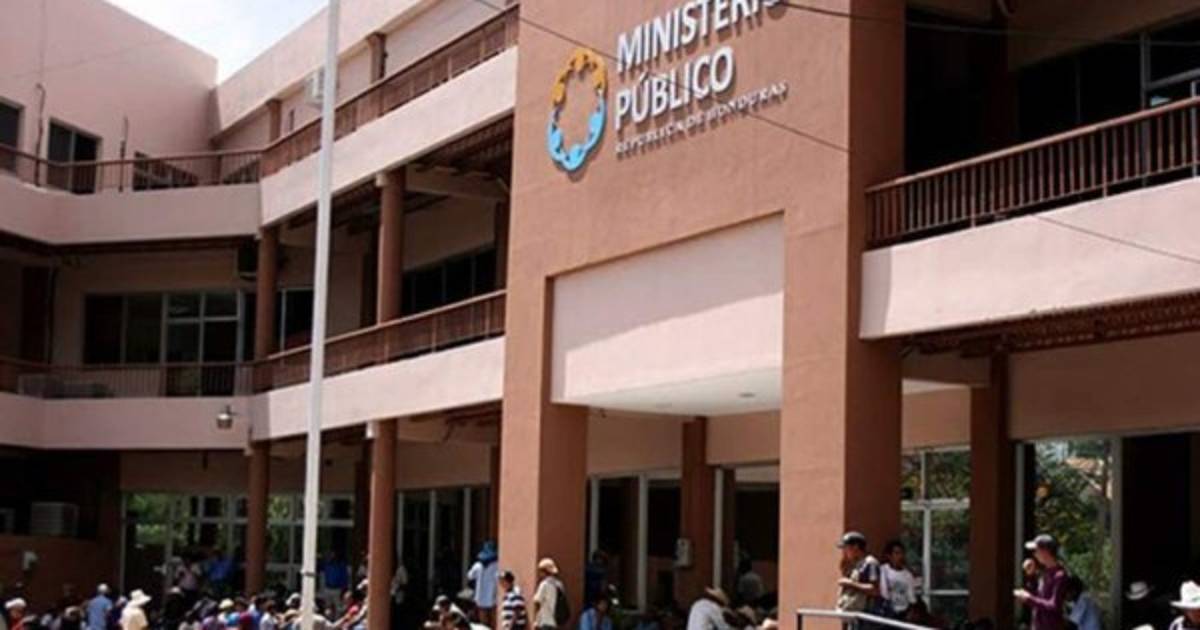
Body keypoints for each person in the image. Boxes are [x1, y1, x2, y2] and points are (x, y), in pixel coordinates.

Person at [1015, 534, 1068, 630]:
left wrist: (1029, 598)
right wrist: (1031, 576)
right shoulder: (1045, 573)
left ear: (1045, 552)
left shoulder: (1060, 575)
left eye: (1036, 550)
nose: (1034, 554)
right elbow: (1038, 597)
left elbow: (1054, 605)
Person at [835, 531, 881, 614]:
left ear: (856, 547)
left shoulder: (870, 563)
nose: (845, 552)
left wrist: (851, 584)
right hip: (852, 611)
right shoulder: (854, 564)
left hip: (866, 613)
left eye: (846, 548)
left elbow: (875, 590)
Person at [879, 540, 917, 619]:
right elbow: (883, 592)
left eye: (902, 553)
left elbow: (911, 597)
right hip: (888, 612)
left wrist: (910, 612)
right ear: (889, 556)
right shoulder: (883, 570)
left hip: (903, 612)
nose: (900, 556)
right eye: (896, 553)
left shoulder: (908, 575)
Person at [466, 541, 499, 625]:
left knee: (483, 621)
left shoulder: (477, 565)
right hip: (493, 597)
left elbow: (469, 576)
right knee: (494, 620)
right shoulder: (497, 565)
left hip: (480, 597)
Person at [532, 558, 567, 630]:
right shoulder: (559, 585)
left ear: (544, 571)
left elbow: (537, 602)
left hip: (545, 621)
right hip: (555, 622)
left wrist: (536, 620)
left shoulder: (544, 584)